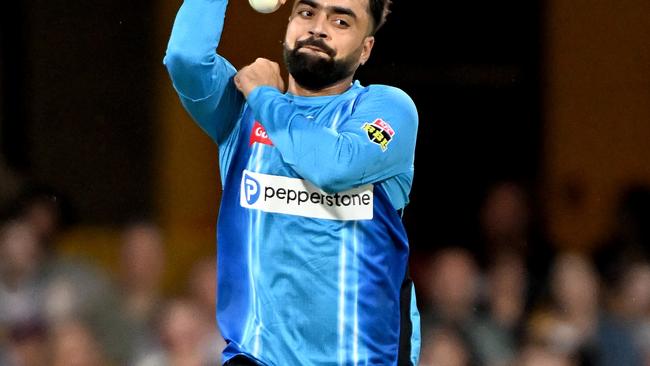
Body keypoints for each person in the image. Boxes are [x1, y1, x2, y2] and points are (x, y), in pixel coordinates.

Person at [164, 0, 420, 364]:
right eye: (307, 13)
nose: (318, 28)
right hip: (255, 357)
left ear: (366, 49)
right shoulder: (241, 112)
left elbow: (333, 166)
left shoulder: (388, 109)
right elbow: (185, 59)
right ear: (287, 25)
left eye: (341, 21)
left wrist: (264, 95)